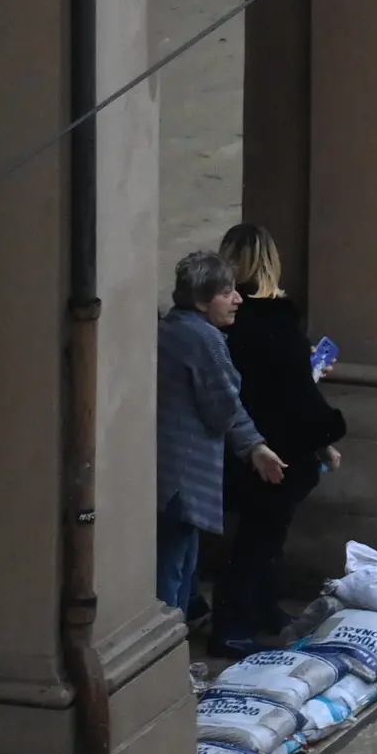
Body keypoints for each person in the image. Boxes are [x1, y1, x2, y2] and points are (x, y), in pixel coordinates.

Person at [212, 225, 347, 648]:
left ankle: (259, 611)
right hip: (276, 448)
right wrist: (325, 435)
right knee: (261, 540)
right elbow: (296, 392)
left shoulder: (223, 319)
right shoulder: (276, 321)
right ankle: (234, 627)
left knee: (259, 536)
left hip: (235, 441)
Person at [156, 249, 283, 624]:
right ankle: (169, 654)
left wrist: (253, 446)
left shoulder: (171, 330)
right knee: (173, 570)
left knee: (180, 564)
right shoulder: (205, 340)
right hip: (182, 478)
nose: (238, 299)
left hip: (167, 475)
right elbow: (223, 406)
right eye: (227, 292)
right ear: (200, 300)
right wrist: (255, 446)